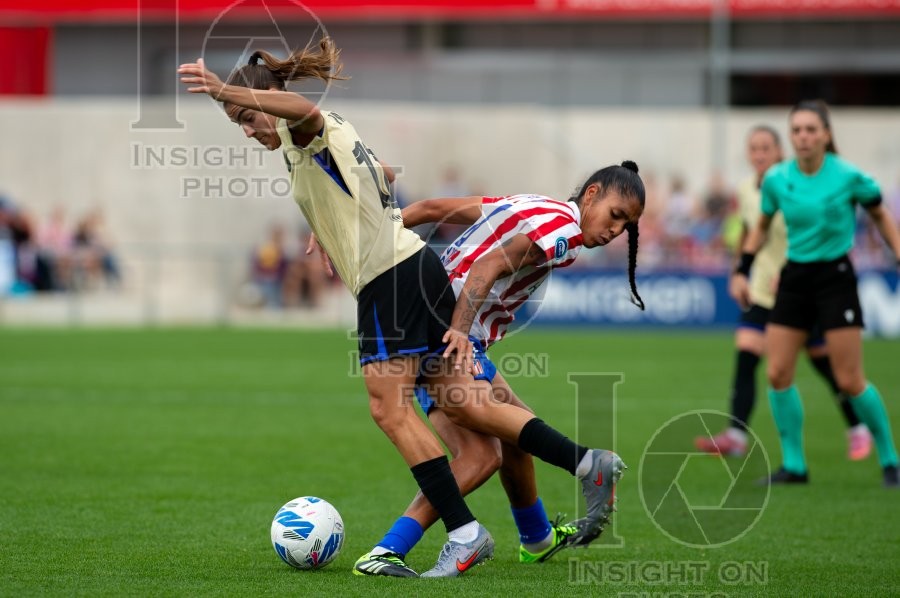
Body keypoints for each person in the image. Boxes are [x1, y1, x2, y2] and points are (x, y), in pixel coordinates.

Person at [178, 37, 633, 578]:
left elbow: (302, 109)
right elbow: (383, 176)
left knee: (389, 409)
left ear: (267, 102)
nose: (248, 131)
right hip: (416, 269)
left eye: (248, 119)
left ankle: (464, 533)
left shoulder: (302, 126)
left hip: (390, 278)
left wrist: (225, 91)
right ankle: (582, 467)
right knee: (471, 409)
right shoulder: (316, 140)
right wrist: (334, 219)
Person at [353, 163, 646, 577]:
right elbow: (486, 267)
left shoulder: (531, 205)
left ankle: (536, 537)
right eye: (615, 215)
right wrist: (458, 331)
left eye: (626, 225)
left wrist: (381, 233)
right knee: (477, 435)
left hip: (438, 318)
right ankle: (585, 462)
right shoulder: (564, 230)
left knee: (502, 440)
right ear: (592, 193)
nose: (616, 230)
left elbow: (432, 208)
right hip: (446, 324)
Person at [731, 100, 900, 487]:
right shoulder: (777, 179)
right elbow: (761, 225)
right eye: (797, 130)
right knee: (777, 373)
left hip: (835, 279)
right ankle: (795, 466)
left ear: (826, 135)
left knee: (849, 380)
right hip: (794, 278)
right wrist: (743, 267)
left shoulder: (848, 176)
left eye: (811, 129)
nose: (803, 136)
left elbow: (879, 213)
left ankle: (891, 458)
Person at [696, 125, 872, 460]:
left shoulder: (793, 186)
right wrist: (738, 273)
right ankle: (735, 436)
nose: (759, 154)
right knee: (746, 356)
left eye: (766, 148)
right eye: (754, 149)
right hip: (762, 291)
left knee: (826, 365)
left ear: (779, 151)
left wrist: (791, 271)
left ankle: (857, 426)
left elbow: (808, 233)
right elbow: (749, 232)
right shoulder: (746, 189)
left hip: (800, 289)